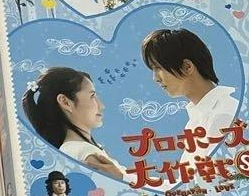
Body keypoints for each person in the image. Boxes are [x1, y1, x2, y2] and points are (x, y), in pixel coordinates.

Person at [141, 28, 239, 162]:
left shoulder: (224, 115)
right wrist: (120, 172)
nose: (155, 78)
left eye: (158, 67)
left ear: (187, 67)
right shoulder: (197, 121)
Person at [22, 68, 127, 180]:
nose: (101, 105)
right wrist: (121, 178)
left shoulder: (73, 149)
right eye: (92, 96)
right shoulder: (87, 153)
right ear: (65, 102)